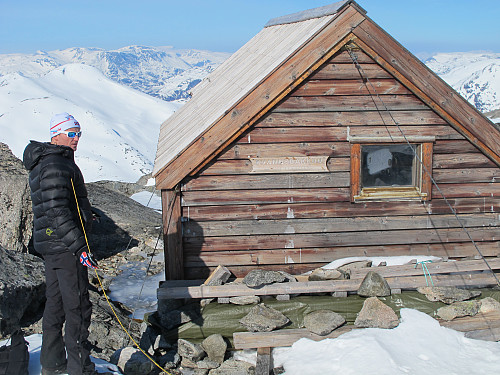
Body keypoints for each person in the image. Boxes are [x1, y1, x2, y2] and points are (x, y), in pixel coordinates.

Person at [23, 113, 98, 375]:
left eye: (78, 134)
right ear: (56, 133)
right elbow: (57, 211)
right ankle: (81, 368)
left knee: (54, 305)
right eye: (71, 133)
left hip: (51, 246)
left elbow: (56, 205)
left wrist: (87, 215)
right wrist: (80, 247)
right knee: (78, 306)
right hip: (65, 248)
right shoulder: (57, 164)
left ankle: (52, 364)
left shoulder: (44, 162)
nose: (76, 139)